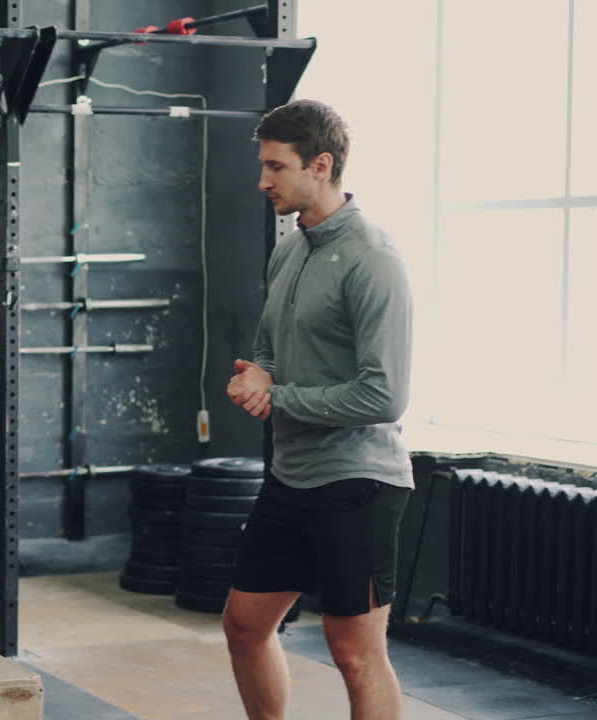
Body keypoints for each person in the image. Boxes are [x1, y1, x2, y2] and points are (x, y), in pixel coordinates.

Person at [223, 99, 414, 720]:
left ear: (322, 165)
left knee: (354, 652)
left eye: (276, 167)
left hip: (358, 482)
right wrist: (256, 376)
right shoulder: (290, 250)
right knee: (245, 625)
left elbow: (383, 395)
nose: (263, 181)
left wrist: (276, 395)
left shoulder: (372, 259)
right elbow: (267, 348)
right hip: (292, 474)